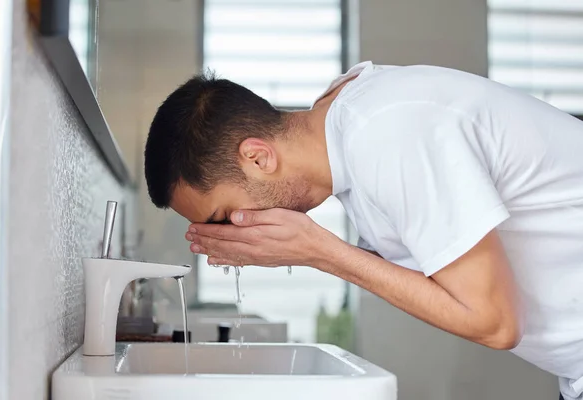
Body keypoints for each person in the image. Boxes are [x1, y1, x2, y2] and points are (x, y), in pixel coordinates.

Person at [144, 61, 583, 400]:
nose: (234, 234)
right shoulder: (347, 132)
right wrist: (309, 251)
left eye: (224, 217)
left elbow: (497, 323)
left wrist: (320, 252)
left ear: (258, 157)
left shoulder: (386, 133)